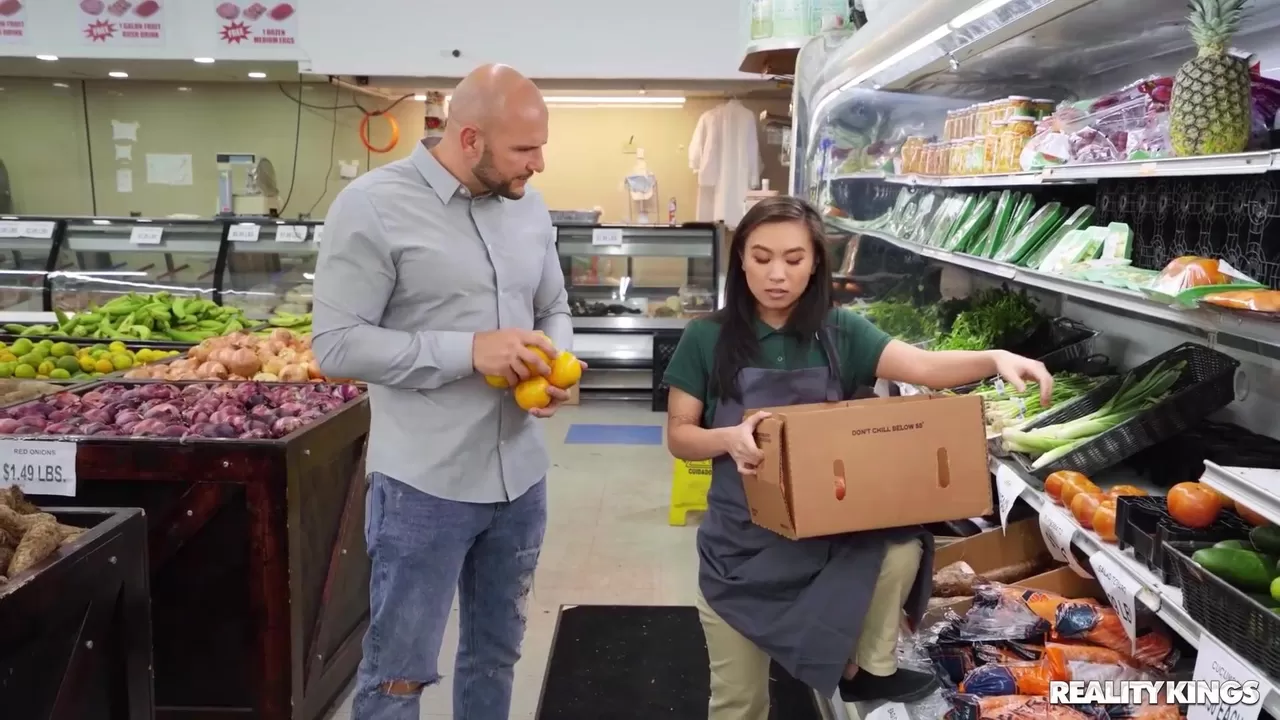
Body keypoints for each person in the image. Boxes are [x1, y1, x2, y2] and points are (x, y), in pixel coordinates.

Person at [662, 196, 1053, 718]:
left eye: (794, 259)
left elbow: (921, 365)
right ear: (740, 261)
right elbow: (680, 434)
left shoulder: (839, 331)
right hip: (740, 548)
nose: (777, 274)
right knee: (740, 702)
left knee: (903, 546)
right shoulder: (706, 338)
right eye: (761, 258)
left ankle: (867, 669)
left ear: (816, 263)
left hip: (824, 538)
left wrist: (995, 357)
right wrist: (728, 439)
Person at [311, 64, 581, 720]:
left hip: (520, 479)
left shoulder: (529, 206)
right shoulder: (372, 207)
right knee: (399, 675)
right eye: (523, 149)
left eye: (541, 145)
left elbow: (554, 304)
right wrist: (469, 351)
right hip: (422, 488)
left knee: (495, 654)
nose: (539, 163)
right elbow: (336, 345)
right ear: (467, 139)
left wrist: (557, 359)